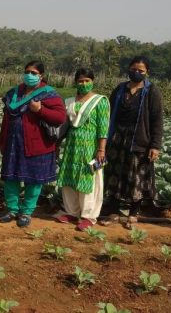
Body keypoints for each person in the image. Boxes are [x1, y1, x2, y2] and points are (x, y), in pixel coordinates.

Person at [0, 61, 66, 227]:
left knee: (34, 180)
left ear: (41, 76)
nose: (30, 75)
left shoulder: (49, 94)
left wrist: (40, 110)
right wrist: (3, 140)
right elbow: (6, 120)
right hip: (13, 143)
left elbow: (60, 117)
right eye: (27, 71)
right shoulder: (14, 93)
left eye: (34, 73)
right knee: (10, 178)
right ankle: (12, 209)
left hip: (37, 144)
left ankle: (26, 212)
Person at [100, 56, 163, 229]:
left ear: (146, 72)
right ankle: (114, 211)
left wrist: (155, 145)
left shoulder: (151, 91)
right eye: (134, 69)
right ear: (128, 69)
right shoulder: (120, 89)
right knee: (115, 175)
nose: (136, 73)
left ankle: (133, 214)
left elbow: (157, 119)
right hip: (117, 138)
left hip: (139, 140)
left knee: (137, 177)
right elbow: (109, 113)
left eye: (141, 71)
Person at [55, 68, 110, 231]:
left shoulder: (100, 101)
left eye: (87, 80)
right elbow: (64, 126)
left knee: (88, 179)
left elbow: (103, 127)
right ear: (76, 82)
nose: (84, 83)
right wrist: (58, 145)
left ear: (92, 81)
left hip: (90, 147)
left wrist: (101, 149)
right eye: (80, 80)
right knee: (69, 177)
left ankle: (88, 216)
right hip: (72, 146)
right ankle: (72, 212)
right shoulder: (70, 101)